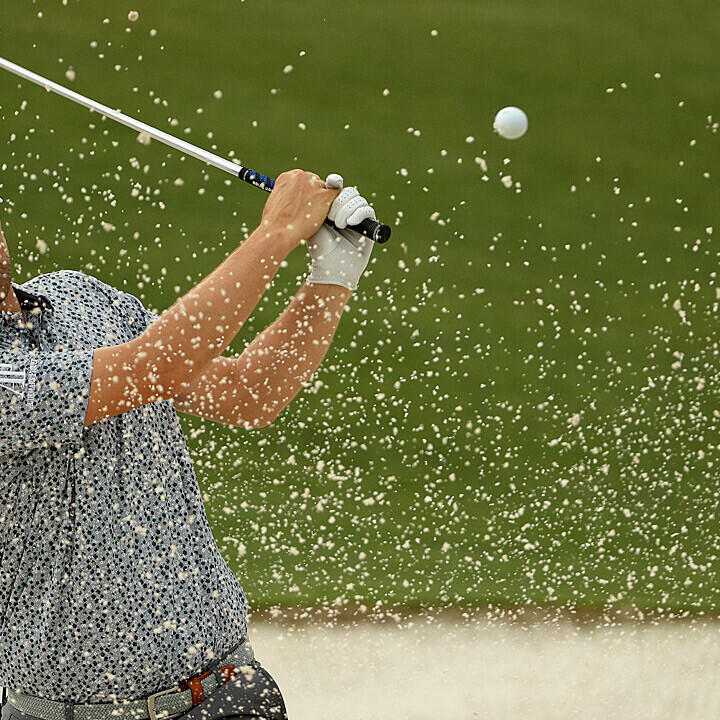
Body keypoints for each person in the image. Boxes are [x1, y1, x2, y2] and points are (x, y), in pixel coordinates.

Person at [0, 170, 377, 720]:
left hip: (226, 692)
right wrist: (275, 234)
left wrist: (333, 275)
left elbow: (247, 395)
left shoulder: (79, 298)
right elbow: (155, 365)